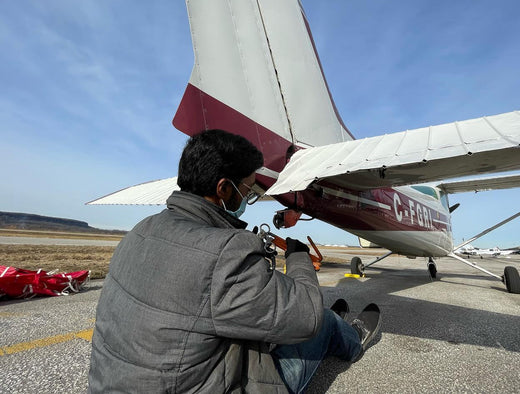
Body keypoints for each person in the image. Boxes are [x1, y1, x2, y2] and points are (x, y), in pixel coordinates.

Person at [88, 129, 381, 393]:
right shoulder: (225, 253)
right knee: (325, 320)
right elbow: (307, 316)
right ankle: (352, 339)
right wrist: (299, 259)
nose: (248, 197)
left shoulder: (140, 230)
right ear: (224, 189)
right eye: (248, 189)